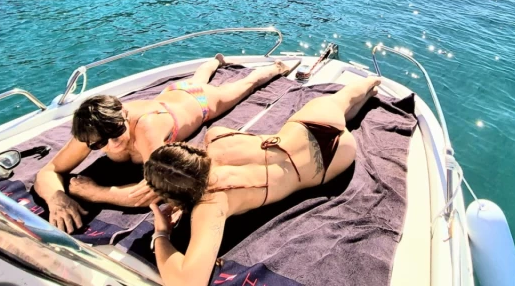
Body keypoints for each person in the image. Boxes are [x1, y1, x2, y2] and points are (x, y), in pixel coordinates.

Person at [143, 75, 381, 286]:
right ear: (186, 150)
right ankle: (371, 83)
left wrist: (161, 234)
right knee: (348, 97)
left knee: (346, 114)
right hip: (312, 124)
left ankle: (361, 101)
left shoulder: (212, 203)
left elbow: (189, 282)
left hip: (334, 160)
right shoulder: (217, 137)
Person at [35, 55, 296, 233]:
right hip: (171, 95)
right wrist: (56, 197)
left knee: (244, 85)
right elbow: (48, 171)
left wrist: (94, 192)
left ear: (124, 114)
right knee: (195, 79)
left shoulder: (146, 128)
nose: (111, 145)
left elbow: (156, 190)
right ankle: (212, 63)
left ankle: (274, 68)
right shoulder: (94, 131)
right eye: (99, 144)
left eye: (117, 133)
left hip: (200, 103)